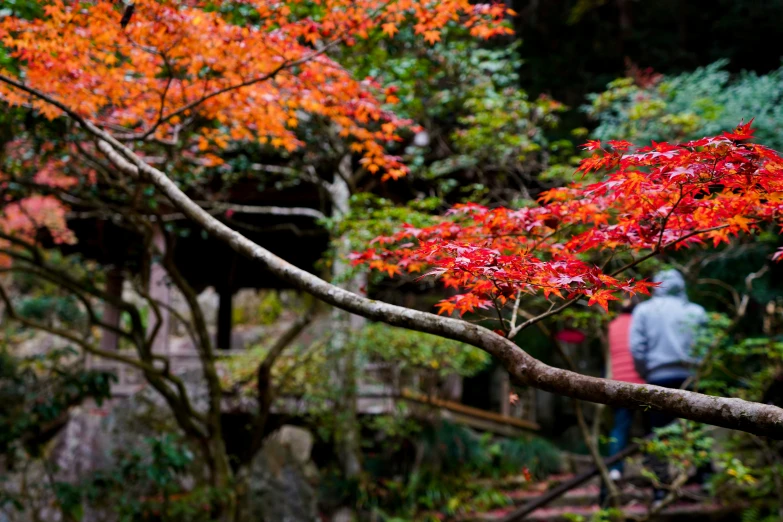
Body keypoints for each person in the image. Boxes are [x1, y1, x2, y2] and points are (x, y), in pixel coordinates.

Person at [629, 269, 708, 502]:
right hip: (691, 378)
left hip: (658, 379)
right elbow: (706, 345)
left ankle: (660, 487)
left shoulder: (644, 311)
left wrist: (647, 372)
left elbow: (636, 348)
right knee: (696, 430)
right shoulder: (696, 311)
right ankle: (705, 479)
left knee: (658, 434)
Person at [606, 297, 644, 482]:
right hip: (642, 382)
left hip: (619, 383)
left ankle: (615, 468)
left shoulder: (612, 325)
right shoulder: (641, 322)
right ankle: (654, 467)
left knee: (620, 428)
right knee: (652, 428)